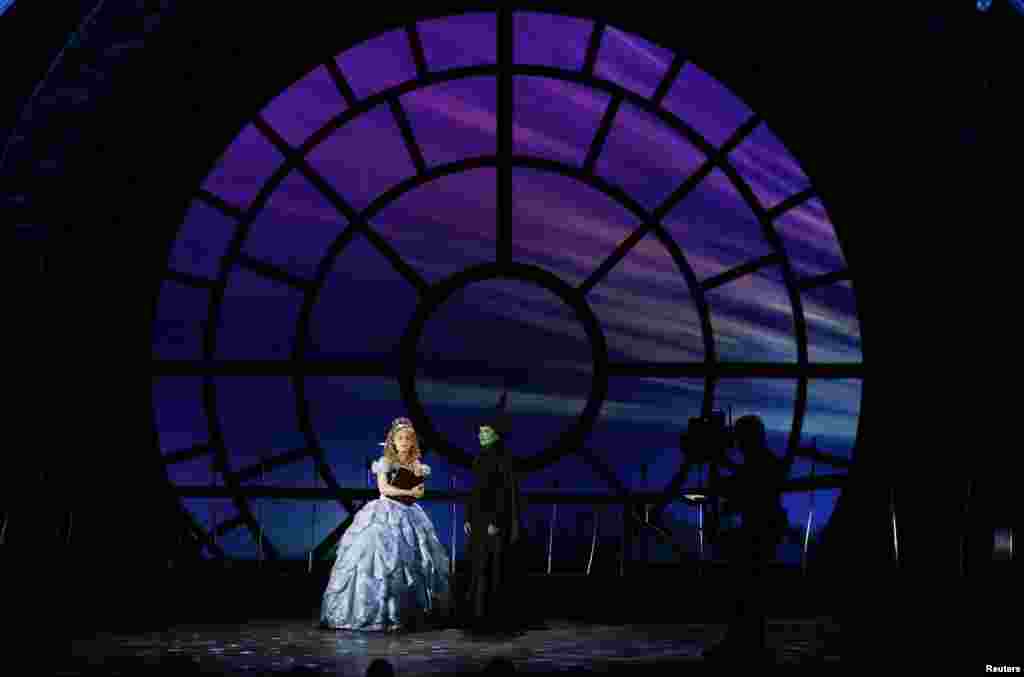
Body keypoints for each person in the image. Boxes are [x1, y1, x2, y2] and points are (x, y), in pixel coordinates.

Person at [320, 417, 450, 631]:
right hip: (387, 510)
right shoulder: (386, 462)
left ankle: (409, 612)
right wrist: (409, 492)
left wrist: (416, 492)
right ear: (393, 441)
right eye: (401, 438)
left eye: (409, 438)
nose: (405, 441)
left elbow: (420, 489)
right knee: (379, 558)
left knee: (416, 560)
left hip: (410, 512)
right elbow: (384, 489)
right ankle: (376, 613)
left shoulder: (417, 465)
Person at [704, 414, 792, 663]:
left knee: (744, 588)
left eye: (740, 438)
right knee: (750, 591)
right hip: (765, 532)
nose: (738, 444)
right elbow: (743, 485)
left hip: (758, 533)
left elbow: (739, 488)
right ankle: (749, 642)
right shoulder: (766, 462)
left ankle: (743, 642)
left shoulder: (759, 464)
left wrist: (718, 466)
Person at [463, 393, 525, 634]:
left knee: (494, 568)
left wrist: (496, 520)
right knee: (478, 567)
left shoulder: (504, 460)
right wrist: (468, 517)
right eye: (479, 432)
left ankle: (493, 617)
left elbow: (504, 493)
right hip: (478, 521)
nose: (480, 436)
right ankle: (477, 615)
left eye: (485, 432)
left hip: (493, 522)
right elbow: (474, 491)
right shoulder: (479, 459)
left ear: (496, 435)